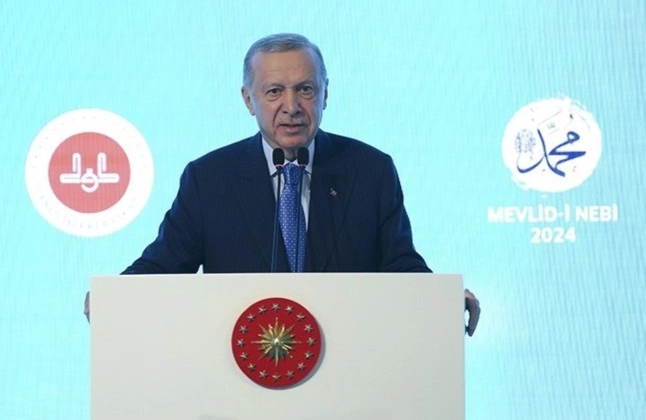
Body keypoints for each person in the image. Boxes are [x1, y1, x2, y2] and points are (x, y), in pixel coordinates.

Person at [85, 33, 480, 335]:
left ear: (325, 94)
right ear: (248, 100)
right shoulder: (209, 178)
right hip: (242, 374)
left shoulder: (370, 170)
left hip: (347, 371)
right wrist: (115, 298)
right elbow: (164, 265)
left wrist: (442, 301)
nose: (291, 107)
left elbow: (400, 265)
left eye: (305, 89)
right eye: (274, 91)